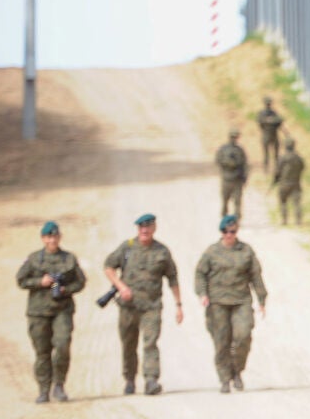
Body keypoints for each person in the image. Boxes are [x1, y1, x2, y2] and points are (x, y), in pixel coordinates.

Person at [103, 213, 183, 396]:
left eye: (148, 227)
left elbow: (172, 278)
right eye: (141, 227)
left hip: (151, 306)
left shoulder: (162, 251)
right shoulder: (127, 247)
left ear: (154, 228)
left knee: (150, 342)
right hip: (128, 306)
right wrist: (121, 287)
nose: (144, 230)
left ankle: (151, 380)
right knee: (128, 344)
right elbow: (108, 267)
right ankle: (129, 379)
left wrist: (178, 305)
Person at [195, 215, 267, 394]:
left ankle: (237, 370)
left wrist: (261, 299)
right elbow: (200, 274)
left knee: (243, 336)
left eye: (232, 231)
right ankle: (224, 378)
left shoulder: (246, 251)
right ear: (221, 232)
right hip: (217, 303)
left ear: (236, 232)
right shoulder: (212, 252)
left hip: (241, 301)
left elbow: (256, 275)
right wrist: (202, 294)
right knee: (221, 341)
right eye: (225, 231)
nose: (229, 235)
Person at [15, 221, 86, 403]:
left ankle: (59, 385)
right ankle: (44, 389)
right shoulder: (33, 259)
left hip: (62, 310)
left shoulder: (69, 259)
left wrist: (65, 289)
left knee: (62, 345)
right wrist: (40, 282)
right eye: (48, 237)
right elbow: (21, 280)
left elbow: (80, 282)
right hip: (38, 312)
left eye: (55, 237)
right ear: (43, 238)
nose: (52, 240)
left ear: (59, 237)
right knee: (42, 351)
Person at [216, 128, 249, 219]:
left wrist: (244, 178)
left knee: (236, 202)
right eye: (233, 137)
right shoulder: (224, 149)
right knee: (225, 201)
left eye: (235, 137)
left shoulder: (239, 150)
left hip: (236, 179)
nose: (234, 139)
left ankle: (236, 219)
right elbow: (218, 161)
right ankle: (225, 218)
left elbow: (244, 165)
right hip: (228, 179)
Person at [273, 138, 305, 225]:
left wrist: (275, 180)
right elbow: (302, 167)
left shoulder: (283, 158)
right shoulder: (298, 158)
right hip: (295, 183)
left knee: (283, 202)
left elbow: (277, 171)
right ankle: (298, 221)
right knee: (297, 203)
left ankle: (284, 220)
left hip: (284, 183)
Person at [256, 97, 284, 172]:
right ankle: (266, 168)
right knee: (266, 154)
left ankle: (276, 168)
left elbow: (279, 121)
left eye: (269, 103)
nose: (268, 105)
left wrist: (270, 121)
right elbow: (260, 122)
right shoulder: (261, 113)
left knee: (276, 154)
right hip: (266, 134)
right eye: (267, 103)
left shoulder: (273, 113)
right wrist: (270, 121)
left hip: (274, 135)